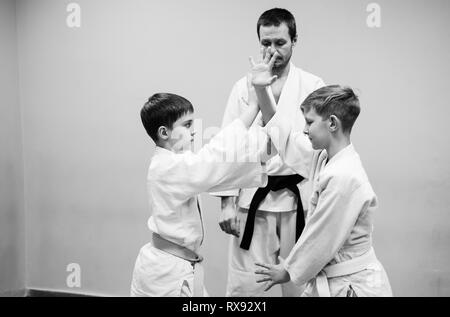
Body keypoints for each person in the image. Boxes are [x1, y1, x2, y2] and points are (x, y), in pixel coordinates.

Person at [249, 58, 393, 296]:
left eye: (309, 122)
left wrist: (288, 271)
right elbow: (283, 135)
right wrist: (261, 90)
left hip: (354, 285)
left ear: (333, 124)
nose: (304, 130)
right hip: (336, 280)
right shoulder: (324, 158)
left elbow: (322, 237)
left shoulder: (345, 177)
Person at [211, 8, 324, 296]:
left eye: (280, 42)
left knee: (299, 285)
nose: (272, 50)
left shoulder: (313, 87)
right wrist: (226, 202)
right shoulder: (242, 87)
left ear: (294, 41)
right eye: (265, 43)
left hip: (298, 201)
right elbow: (228, 146)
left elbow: (322, 148)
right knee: (244, 287)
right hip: (252, 201)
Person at [130, 90, 273, 297]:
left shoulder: (177, 162)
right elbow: (213, 159)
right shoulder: (168, 168)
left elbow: (223, 171)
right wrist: (252, 108)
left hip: (175, 265)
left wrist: (262, 139)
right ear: (164, 133)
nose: (194, 130)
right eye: (187, 125)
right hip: (167, 272)